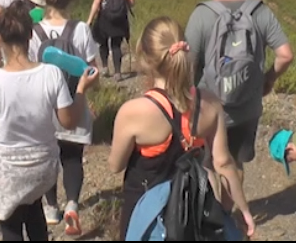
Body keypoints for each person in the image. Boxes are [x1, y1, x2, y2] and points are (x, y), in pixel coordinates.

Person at [107, 16, 254, 241]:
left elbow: (115, 165)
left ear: (145, 59)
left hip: (146, 215)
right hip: (192, 211)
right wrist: (243, 210)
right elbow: (223, 163)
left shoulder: (133, 112)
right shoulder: (210, 104)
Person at [0, 1, 100, 242]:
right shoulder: (51, 73)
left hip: (7, 169)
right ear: (30, 35)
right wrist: (80, 89)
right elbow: (68, 122)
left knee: (11, 225)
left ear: (0, 37)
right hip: (42, 168)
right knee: (33, 208)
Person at [185, 0, 293, 216]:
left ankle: (211, 218)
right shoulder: (260, 12)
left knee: (210, 163)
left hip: (210, 108)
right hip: (247, 107)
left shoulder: (202, 14)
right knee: (236, 163)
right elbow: (286, 55)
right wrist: (268, 80)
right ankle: (229, 214)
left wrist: (188, 100)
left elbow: (187, 64)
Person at [28, 0, 99, 236]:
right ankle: (72, 204)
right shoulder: (80, 29)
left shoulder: (35, 33)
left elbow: (30, 69)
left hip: (45, 106)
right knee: (72, 157)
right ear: (72, 0)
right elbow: (93, 71)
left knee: (49, 156)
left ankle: (50, 207)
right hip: (74, 100)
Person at [87, 0, 135, 82]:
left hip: (104, 18)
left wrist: (89, 20)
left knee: (103, 43)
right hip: (119, 20)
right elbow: (132, 3)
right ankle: (118, 72)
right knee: (116, 45)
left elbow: (97, 2)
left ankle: (104, 67)